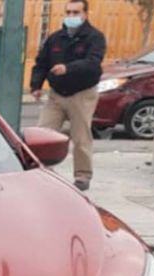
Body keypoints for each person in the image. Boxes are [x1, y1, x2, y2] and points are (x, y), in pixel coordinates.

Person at [30, 0, 106, 191]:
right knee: (43, 132)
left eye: (76, 12)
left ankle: (82, 175)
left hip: (82, 93)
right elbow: (42, 63)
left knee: (81, 136)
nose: (71, 16)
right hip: (56, 94)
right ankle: (38, 170)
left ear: (85, 14)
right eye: (68, 12)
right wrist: (36, 85)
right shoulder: (55, 38)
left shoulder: (94, 38)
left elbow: (93, 63)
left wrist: (68, 69)